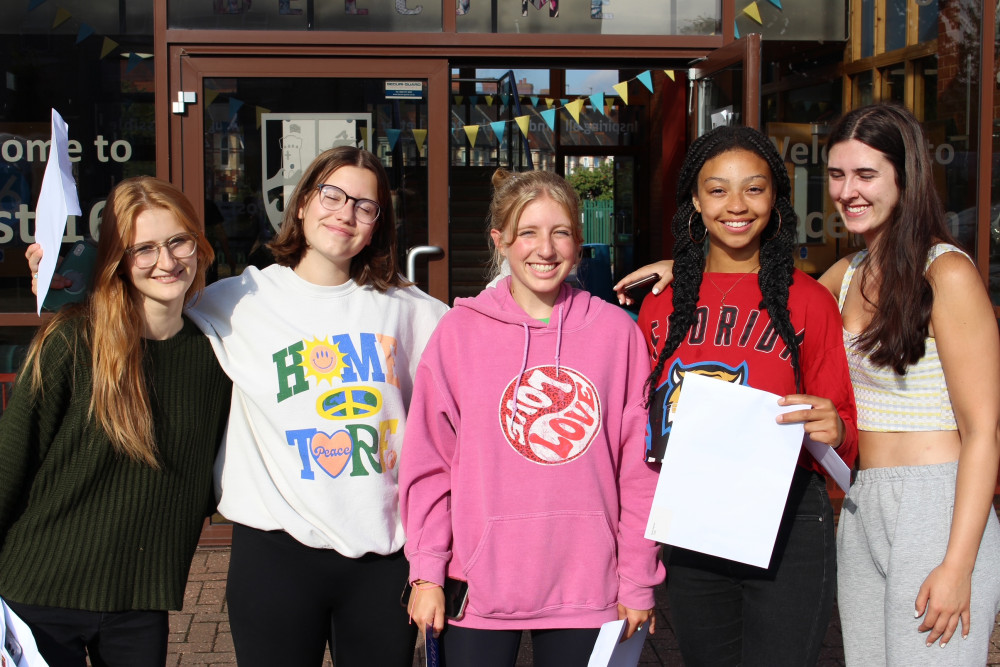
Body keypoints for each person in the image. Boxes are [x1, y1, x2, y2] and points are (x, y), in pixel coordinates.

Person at [27, 146, 449, 667]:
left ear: (377, 224)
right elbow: (143, 304)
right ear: (301, 204)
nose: (345, 213)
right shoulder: (238, 298)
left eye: (366, 205)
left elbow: (483, 354)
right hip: (275, 555)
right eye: (332, 195)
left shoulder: (414, 311)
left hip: (383, 554)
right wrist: (58, 285)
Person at [616, 105, 1000, 666]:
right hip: (864, 505)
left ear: (906, 176)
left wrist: (959, 563)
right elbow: (762, 292)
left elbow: (985, 430)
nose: (848, 192)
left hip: (935, 501)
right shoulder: (847, 276)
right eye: (838, 176)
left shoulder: (947, 273)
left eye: (866, 175)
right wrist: (686, 266)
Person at [399, 168, 664, 666]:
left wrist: (638, 577)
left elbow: (639, 471)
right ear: (500, 241)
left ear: (579, 243)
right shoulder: (459, 333)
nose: (545, 249)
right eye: (527, 232)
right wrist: (427, 573)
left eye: (560, 232)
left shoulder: (616, 335)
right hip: (478, 587)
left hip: (589, 587)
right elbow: (430, 464)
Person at [631, 125, 858, 665]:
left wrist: (838, 428)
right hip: (694, 519)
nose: (736, 205)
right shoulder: (659, 305)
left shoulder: (809, 300)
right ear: (694, 199)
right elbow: (640, 422)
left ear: (776, 198)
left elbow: (844, 426)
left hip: (788, 519)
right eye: (717, 189)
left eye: (754, 188)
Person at [3, 177, 232, 667]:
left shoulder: (216, 356)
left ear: (199, 244)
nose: (167, 262)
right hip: (39, 592)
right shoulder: (72, 341)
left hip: (139, 599)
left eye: (178, 241)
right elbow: (10, 463)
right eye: (143, 248)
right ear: (117, 260)